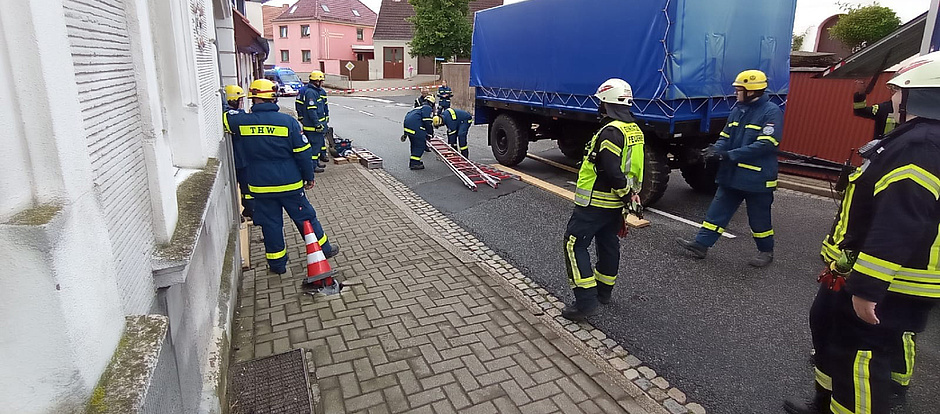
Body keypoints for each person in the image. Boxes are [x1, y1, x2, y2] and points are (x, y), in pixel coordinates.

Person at [785, 52, 940, 414]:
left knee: (861, 359)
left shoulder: (920, 145)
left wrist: (868, 287)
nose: (893, 97)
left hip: (894, 282)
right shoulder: (916, 138)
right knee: (825, 326)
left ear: (923, 94)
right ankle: (823, 403)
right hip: (862, 270)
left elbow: (899, 222)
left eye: (898, 90)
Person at [227, 79, 339, 276]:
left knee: (271, 224)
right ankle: (324, 249)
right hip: (290, 184)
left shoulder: (241, 122)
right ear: (273, 97)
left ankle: (277, 265)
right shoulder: (288, 122)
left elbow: (226, 116)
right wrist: (309, 176)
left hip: (260, 187)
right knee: (306, 217)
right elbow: (303, 153)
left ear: (253, 99)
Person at [676, 69, 783, 268]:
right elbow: (725, 136)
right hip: (732, 175)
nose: (735, 92)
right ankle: (701, 245)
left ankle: (766, 250)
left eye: (738, 89)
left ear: (751, 91)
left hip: (756, 179)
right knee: (716, 212)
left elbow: (766, 144)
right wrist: (713, 151)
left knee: (759, 220)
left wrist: (728, 155)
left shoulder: (771, 112)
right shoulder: (738, 109)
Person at [560, 78, 644, 321]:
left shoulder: (610, 131)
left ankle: (585, 303)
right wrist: (629, 196)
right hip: (615, 205)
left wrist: (624, 192)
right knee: (608, 244)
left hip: (595, 202)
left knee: (574, 245)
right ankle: (604, 292)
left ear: (606, 102)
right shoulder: (634, 129)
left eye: (600, 102)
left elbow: (610, 167)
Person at [222, 84, 253, 219]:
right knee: (247, 187)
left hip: (240, 157)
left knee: (245, 188)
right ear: (233, 101)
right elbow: (241, 121)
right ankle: (251, 209)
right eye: (240, 100)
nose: (242, 103)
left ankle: (248, 209)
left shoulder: (232, 114)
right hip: (239, 158)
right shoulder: (231, 115)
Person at [297, 71, 327, 173]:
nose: (322, 83)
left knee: (317, 146)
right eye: (321, 81)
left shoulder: (316, 91)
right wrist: (317, 124)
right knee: (314, 147)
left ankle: (316, 163)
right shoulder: (311, 92)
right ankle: (313, 167)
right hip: (313, 127)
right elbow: (312, 110)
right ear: (317, 81)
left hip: (315, 126)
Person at [401, 95, 435, 170]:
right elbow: (427, 121)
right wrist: (430, 133)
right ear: (431, 103)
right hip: (415, 129)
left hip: (408, 129)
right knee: (420, 145)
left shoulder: (418, 108)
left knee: (414, 144)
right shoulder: (427, 108)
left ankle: (413, 160)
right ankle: (414, 163)